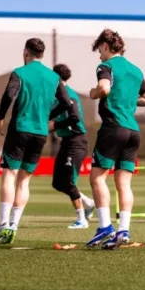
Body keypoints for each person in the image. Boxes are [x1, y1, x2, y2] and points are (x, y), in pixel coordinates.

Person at [0, 38, 77, 244]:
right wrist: (47, 115)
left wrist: (0, 116)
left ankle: (2, 224)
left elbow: (9, 95)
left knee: (9, 175)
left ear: (25, 52)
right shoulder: (54, 77)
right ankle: (14, 225)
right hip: (40, 134)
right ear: (42, 54)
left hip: (20, 129)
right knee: (24, 180)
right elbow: (67, 102)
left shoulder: (19, 72)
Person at [86, 29, 145, 250]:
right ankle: (123, 230)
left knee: (97, 178)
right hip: (133, 131)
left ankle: (105, 227)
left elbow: (104, 88)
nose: (99, 56)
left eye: (100, 50)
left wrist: (94, 93)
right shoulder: (136, 70)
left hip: (113, 127)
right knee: (123, 183)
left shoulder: (106, 66)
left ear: (106, 46)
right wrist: (128, 99)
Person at [47, 64, 96, 229]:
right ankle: (88, 203)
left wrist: (54, 125)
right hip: (66, 142)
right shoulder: (58, 95)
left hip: (76, 142)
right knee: (57, 183)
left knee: (68, 182)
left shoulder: (69, 95)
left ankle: (81, 220)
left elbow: (75, 117)